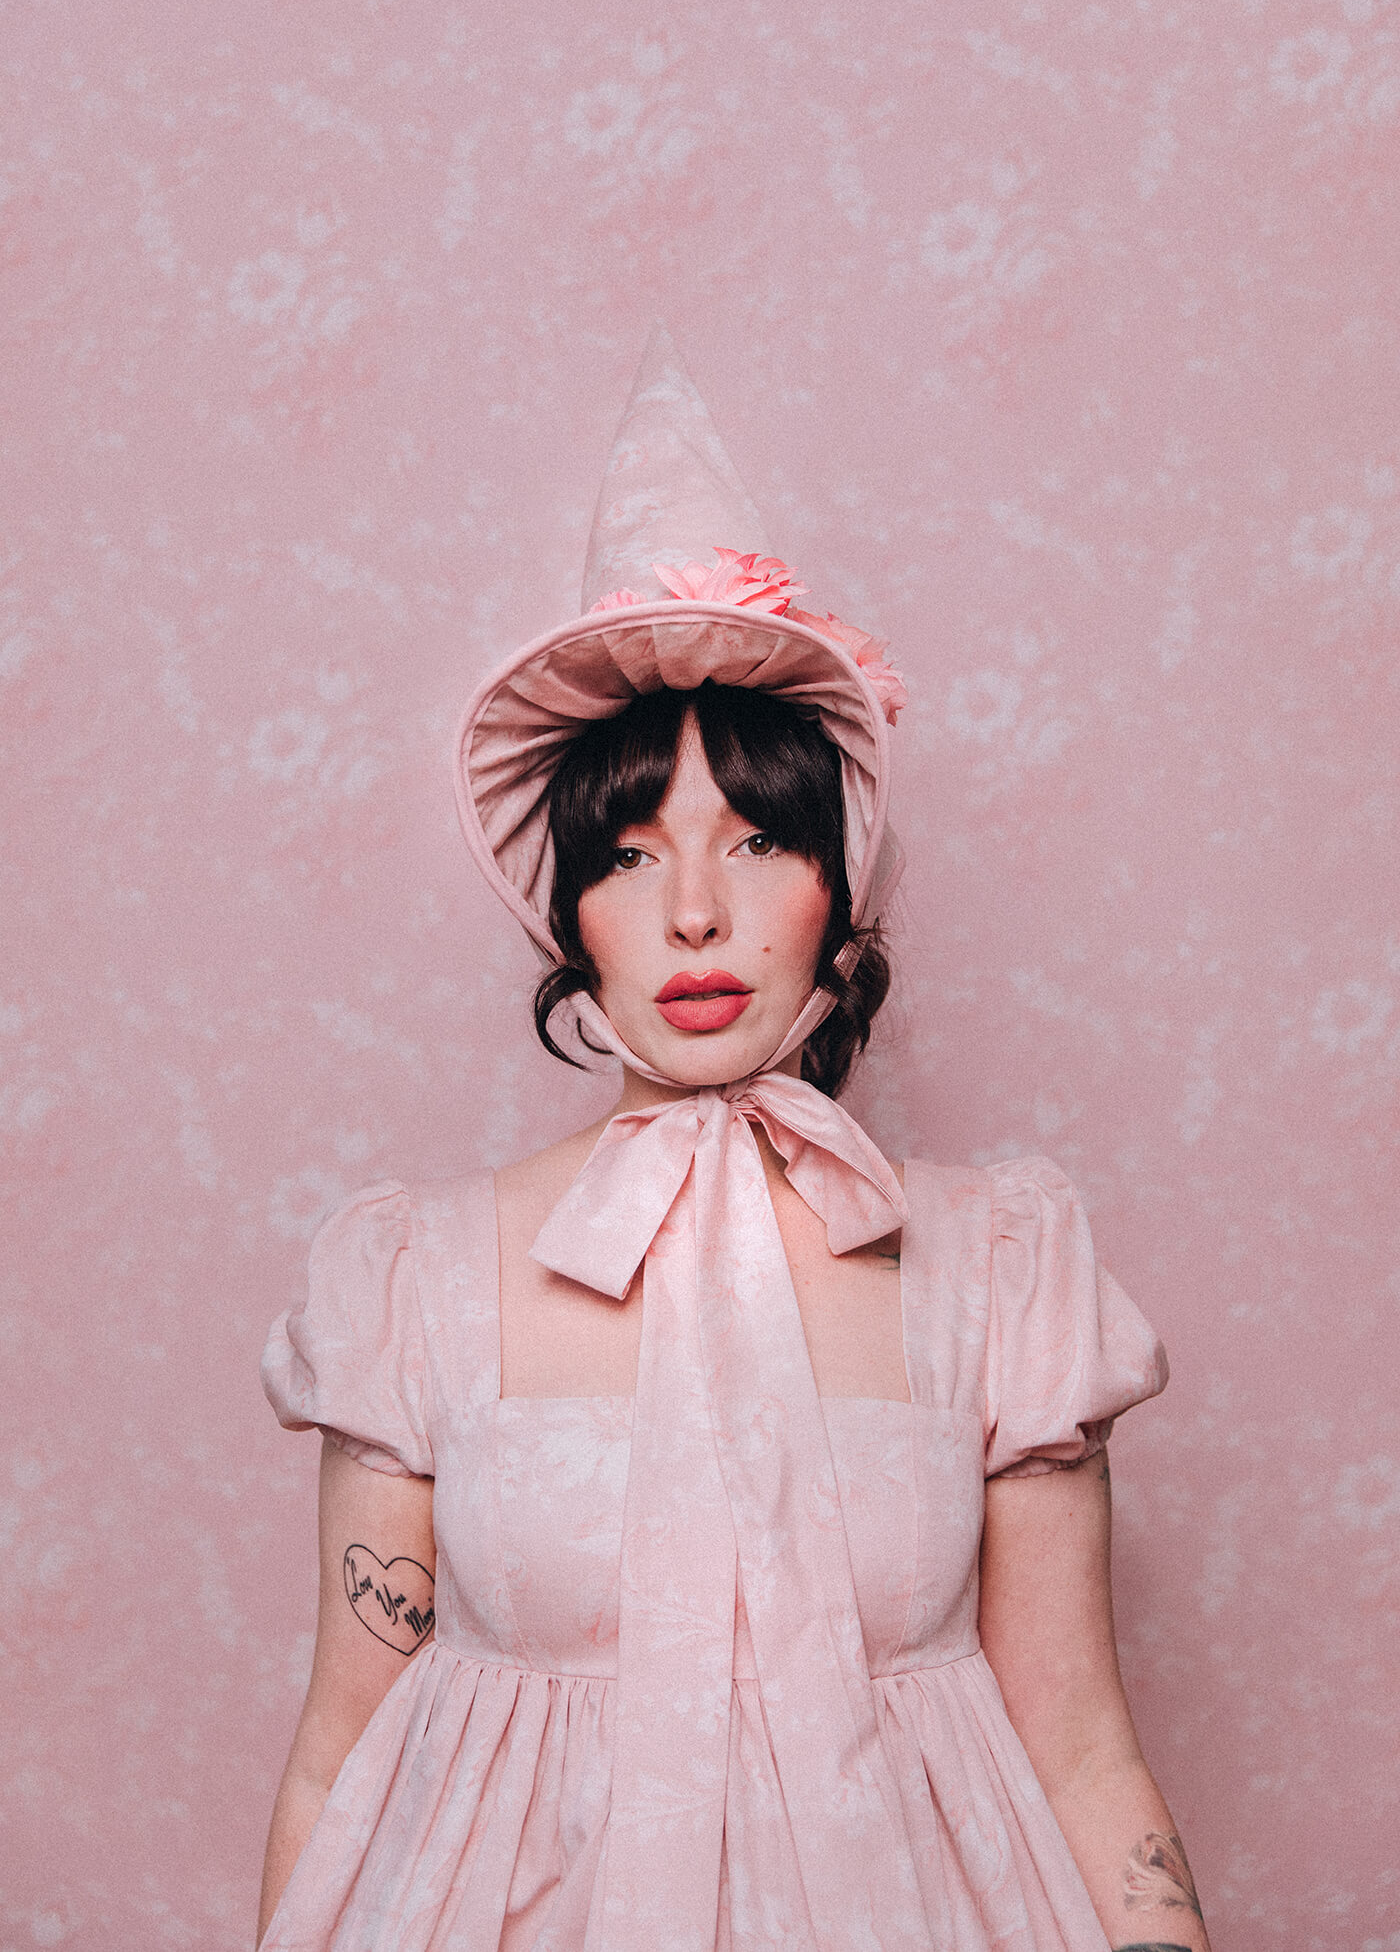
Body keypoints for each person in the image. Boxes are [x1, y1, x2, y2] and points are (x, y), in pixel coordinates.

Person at [256, 329, 1211, 1952]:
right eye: (628, 854)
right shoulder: (408, 1275)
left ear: (841, 887)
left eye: (758, 839)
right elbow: (342, 1753)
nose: (694, 910)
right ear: (566, 910)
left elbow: (1084, 1745)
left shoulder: (1003, 1264)